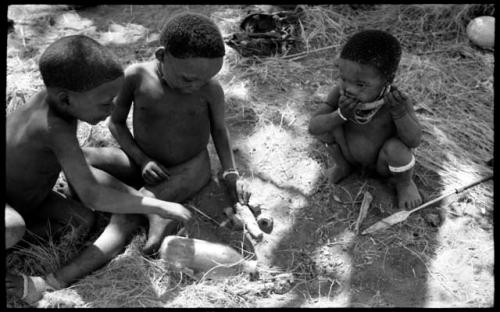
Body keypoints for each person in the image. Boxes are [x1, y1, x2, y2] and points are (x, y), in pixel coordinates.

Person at [5, 35, 192, 305]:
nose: (114, 108)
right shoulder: (53, 127)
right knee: (12, 227)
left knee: (81, 222)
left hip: (28, 197)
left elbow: (83, 185)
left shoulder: (58, 104)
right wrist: (156, 207)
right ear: (66, 99)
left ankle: (18, 243)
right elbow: (93, 196)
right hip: (10, 204)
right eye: (105, 102)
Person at [83, 12, 250, 257]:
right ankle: (145, 205)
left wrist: (230, 171)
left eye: (207, 78)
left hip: (189, 169)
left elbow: (219, 130)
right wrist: (142, 161)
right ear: (161, 55)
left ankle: (143, 208)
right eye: (188, 79)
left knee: (125, 219)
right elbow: (116, 124)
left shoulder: (210, 90)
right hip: (144, 161)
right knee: (78, 159)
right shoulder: (136, 76)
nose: (196, 86)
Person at [308, 30, 423, 210]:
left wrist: (399, 113)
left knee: (397, 149)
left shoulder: (396, 100)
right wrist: (340, 115)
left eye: (360, 84)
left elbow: (414, 140)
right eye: (344, 79)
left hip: (382, 164)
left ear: (388, 80)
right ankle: (343, 166)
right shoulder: (339, 94)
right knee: (327, 125)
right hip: (349, 155)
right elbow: (314, 127)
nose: (349, 89)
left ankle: (404, 184)